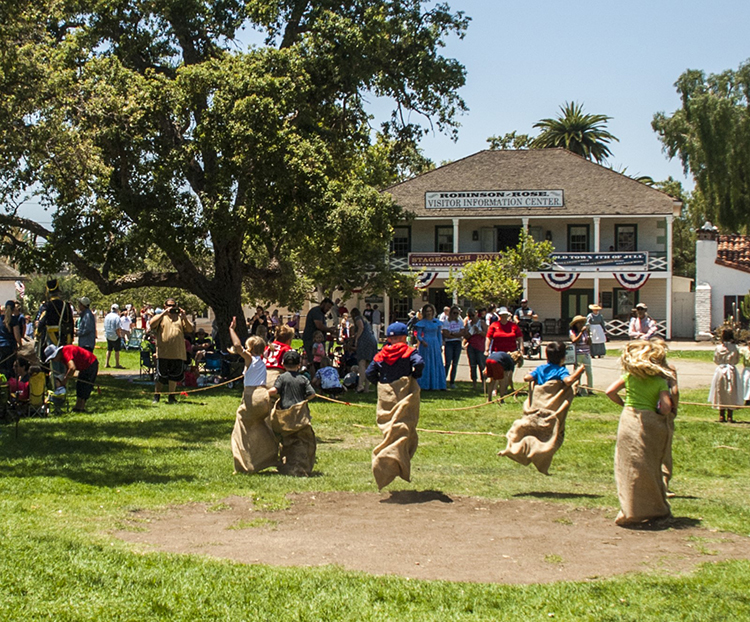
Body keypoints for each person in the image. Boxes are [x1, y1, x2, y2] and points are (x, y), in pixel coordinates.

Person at [605, 339, 678, 526]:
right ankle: (654, 507)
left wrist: (624, 404)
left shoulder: (629, 377)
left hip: (628, 420)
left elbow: (610, 391)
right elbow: (667, 407)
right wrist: (660, 411)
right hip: (648, 424)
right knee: (649, 466)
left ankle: (628, 509)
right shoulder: (659, 381)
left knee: (627, 466)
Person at [500, 342, 585, 474]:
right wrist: (579, 372)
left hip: (535, 412)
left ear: (547, 357)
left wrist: (531, 373)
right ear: (563, 358)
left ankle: (512, 448)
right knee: (549, 438)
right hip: (549, 410)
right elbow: (568, 381)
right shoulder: (561, 370)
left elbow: (527, 378)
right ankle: (540, 458)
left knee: (526, 431)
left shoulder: (540, 368)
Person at [366, 322, 425, 489]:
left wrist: (379, 383)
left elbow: (369, 372)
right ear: (404, 337)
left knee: (389, 428)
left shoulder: (381, 354)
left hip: (386, 394)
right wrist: (415, 376)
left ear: (389, 338)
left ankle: (387, 460)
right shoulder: (408, 351)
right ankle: (391, 460)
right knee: (403, 427)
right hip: (404, 393)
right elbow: (419, 363)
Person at [228, 317, 278, 474]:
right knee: (259, 426)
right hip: (264, 395)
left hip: (253, 395)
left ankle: (244, 466)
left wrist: (231, 329)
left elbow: (236, 346)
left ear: (250, 349)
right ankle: (271, 454)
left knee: (240, 431)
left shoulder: (251, 360)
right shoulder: (262, 360)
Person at [268, 350, 317, 477]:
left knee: (286, 440)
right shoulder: (303, 379)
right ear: (299, 365)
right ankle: (301, 465)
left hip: (285, 414)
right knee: (301, 440)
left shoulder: (282, 378)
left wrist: (263, 393)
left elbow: (274, 390)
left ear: (283, 365)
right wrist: (305, 400)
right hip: (299, 415)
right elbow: (312, 393)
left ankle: (286, 463)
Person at [150, 298, 194, 404]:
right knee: (161, 376)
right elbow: (152, 324)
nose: (171, 307)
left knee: (174, 376)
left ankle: (171, 397)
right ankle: (157, 395)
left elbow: (190, 329)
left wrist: (184, 317)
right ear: (164, 306)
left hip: (177, 353)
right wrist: (164, 313)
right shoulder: (160, 317)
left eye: (173, 305)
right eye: (169, 305)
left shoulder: (180, 318)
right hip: (163, 352)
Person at [44, 343, 99, 412]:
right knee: (79, 386)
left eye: (53, 358)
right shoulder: (62, 358)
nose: (53, 360)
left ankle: (81, 407)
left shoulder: (65, 352)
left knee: (85, 386)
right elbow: (68, 368)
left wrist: (65, 380)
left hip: (90, 363)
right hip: (83, 367)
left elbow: (72, 368)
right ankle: (77, 407)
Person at [35, 279, 75, 370]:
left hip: (52, 335)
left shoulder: (47, 305)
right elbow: (71, 322)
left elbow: (42, 320)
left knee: (55, 358)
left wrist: (38, 332)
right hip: (66, 335)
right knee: (65, 357)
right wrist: (71, 336)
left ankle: (56, 380)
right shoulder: (66, 305)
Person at [484, 307, 523, 400]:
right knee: (496, 374)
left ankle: (504, 390)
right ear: (499, 316)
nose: (504, 317)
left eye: (506, 315)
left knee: (508, 374)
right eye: (502, 316)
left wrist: (521, 349)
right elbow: (488, 337)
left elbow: (520, 337)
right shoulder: (494, 325)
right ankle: (495, 390)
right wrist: (486, 349)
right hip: (497, 352)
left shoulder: (513, 326)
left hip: (511, 353)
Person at [708, 328, 741, 423]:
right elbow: (737, 360)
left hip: (721, 370)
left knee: (720, 391)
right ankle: (730, 415)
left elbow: (715, 360)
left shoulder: (718, 348)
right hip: (731, 370)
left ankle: (721, 415)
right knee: (731, 391)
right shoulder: (734, 347)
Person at [414, 303, 446, 391]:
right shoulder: (422, 323)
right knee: (426, 364)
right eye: (427, 311)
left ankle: (437, 384)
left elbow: (439, 334)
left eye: (430, 311)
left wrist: (440, 345)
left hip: (435, 343)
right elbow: (418, 335)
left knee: (436, 363)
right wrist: (422, 341)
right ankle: (425, 384)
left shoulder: (437, 322)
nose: (429, 313)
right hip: (426, 344)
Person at [350, 307, 378, 393]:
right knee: (368, 364)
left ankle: (360, 386)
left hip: (364, 341)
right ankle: (366, 388)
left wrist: (356, 339)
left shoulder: (357, 318)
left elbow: (361, 327)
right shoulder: (365, 320)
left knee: (362, 363)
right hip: (372, 341)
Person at [302, 298, 334, 371]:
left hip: (317, 341)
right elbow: (319, 325)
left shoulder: (321, 314)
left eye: (329, 308)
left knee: (319, 361)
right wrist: (330, 330)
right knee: (313, 361)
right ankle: (314, 378)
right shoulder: (316, 311)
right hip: (311, 340)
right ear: (323, 304)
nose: (328, 309)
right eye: (327, 307)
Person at [441, 305, 465, 389]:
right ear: (450, 313)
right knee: (447, 363)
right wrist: (455, 335)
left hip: (458, 343)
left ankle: (452, 382)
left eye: (457, 313)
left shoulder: (460, 322)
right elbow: (445, 334)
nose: (456, 315)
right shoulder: (446, 322)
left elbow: (462, 332)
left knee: (455, 364)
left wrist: (452, 334)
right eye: (454, 313)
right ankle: (443, 381)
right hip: (449, 344)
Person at [569, 315, 593, 396]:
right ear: (575, 324)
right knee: (577, 372)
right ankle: (576, 390)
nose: (580, 324)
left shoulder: (586, 332)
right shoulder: (572, 332)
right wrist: (581, 333)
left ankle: (590, 389)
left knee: (589, 372)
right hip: (578, 354)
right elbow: (574, 341)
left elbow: (589, 343)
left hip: (586, 353)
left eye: (582, 323)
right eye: (578, 323)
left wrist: (589, 335)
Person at [464, 307, 487, 390]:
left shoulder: (481, 322)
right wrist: (470, 333)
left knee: (482, 365)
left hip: (480, 346)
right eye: (470, 316)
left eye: (473, 315)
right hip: (471, 346)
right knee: (472, 365)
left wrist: (479, 331)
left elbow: (487, 334)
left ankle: (483, 384)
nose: (472, 317)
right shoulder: (468, 323)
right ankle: (474, 383)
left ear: (476, 314)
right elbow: (465, 336)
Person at [0, 300, 23, 378]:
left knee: (1, 368)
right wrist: (20, 344)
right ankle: (11, 385)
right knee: (10, 368)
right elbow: (17, 335)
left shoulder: (0, 319)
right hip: (10, 346)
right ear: (14, 309)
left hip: (0, 346)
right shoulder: (14, 319)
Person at [103, 304, 124, 369]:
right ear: (117, 309)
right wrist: (119, 335)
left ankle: (106, 363)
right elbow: (117, 328)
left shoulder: (107, 316)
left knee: (109, 349)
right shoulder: (117, 317)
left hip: (108, 335)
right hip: (115, 336)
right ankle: (117, 364)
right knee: (117, 350)